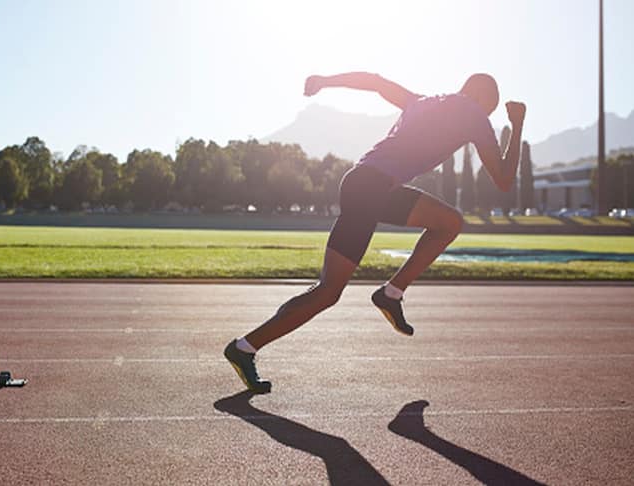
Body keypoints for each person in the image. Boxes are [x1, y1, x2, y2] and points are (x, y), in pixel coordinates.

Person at [224, 72, 526, 393]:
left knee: (448, 222)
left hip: (365, 183)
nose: (485, 122)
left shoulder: (419, 101)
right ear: (484, 100)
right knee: (327, 292)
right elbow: (505, 180)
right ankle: (245, 348)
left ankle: (391, 293)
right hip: (372, 189)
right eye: (489, 113)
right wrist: (518, 124)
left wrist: (325, 81)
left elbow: (375, 81)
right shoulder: (474, 113)